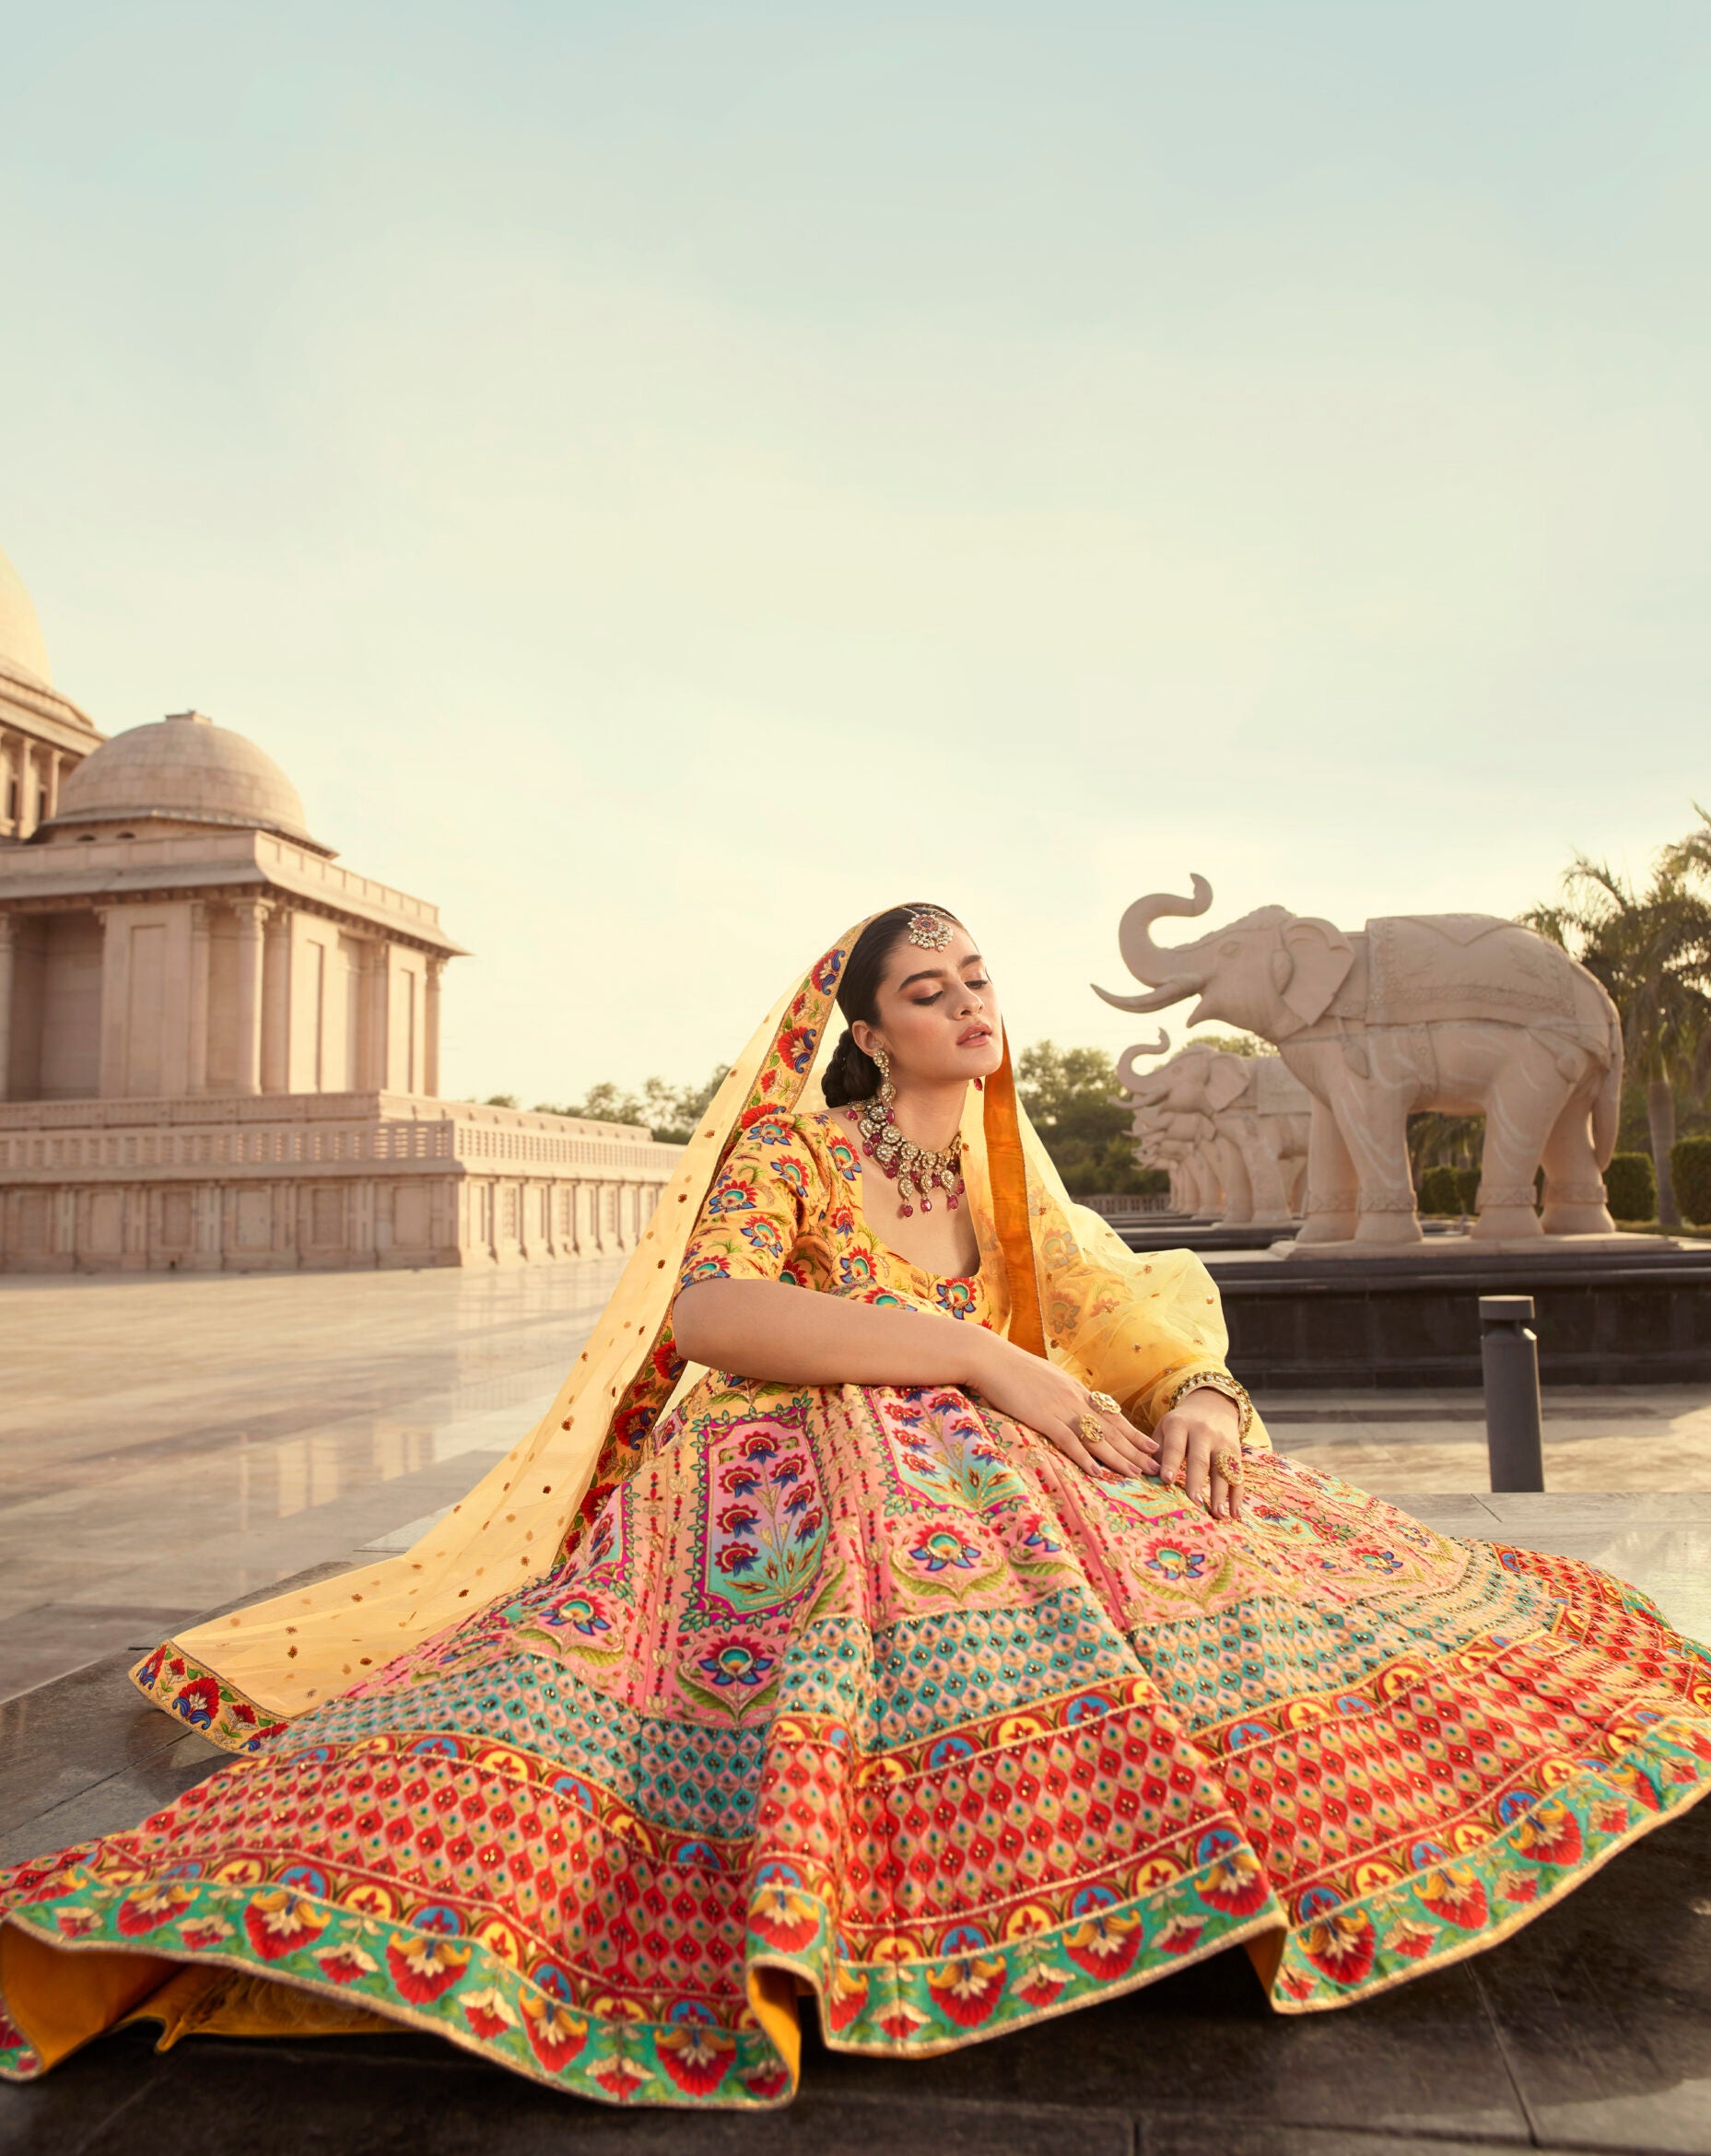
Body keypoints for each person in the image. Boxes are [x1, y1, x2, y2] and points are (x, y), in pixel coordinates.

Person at [2, 904, 1707, 2110]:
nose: (969, 1001)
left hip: (997, 1452)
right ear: (867, 1029)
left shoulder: (1005, 1172)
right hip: (778, 1467)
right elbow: (714, 1320)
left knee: (1235, 1539)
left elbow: (1116, 1315)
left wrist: (1184, 1392)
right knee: (900, 1539)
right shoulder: (802, 1155)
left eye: (977, 974)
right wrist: (967, 1365)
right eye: (928, 984)